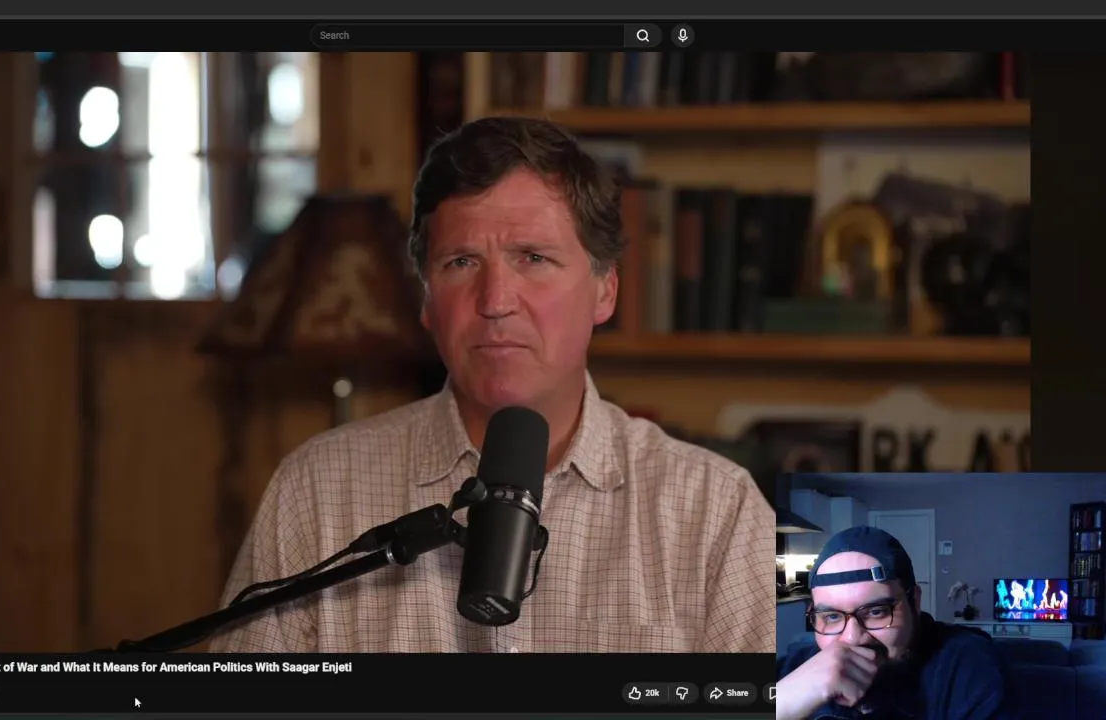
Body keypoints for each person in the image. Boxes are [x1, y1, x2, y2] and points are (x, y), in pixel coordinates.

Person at [209, 116, 774, 653]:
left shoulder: (716, 511)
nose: (496, 301)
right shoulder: (316, 490)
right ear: (427, 299)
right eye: (461, 262)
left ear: (605, 291)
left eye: (533, 258)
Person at [776, 526, 1018, 719]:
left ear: (915, 601)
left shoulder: (968, 667)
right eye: (832, 617)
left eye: (876, 612)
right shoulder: (795, 667)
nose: (851, 638)